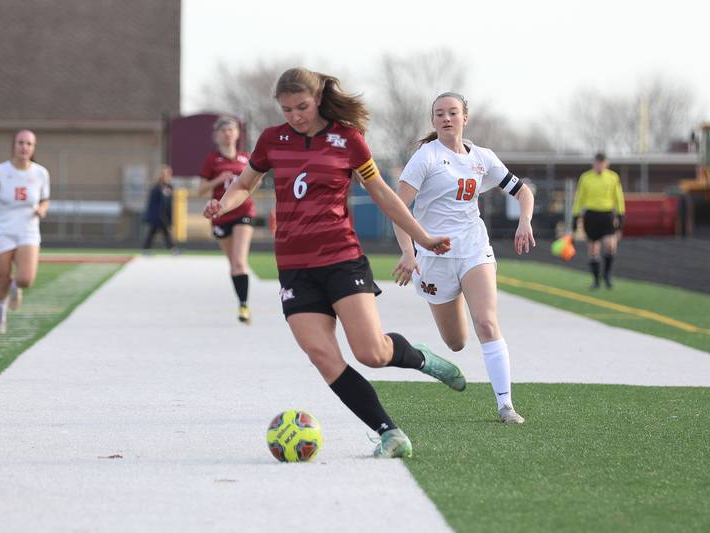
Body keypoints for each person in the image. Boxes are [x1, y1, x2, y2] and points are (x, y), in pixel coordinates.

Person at [203, 67, 465, 459]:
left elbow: (382, 194)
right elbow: (244, 185)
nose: (294, 115)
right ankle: (389, 432)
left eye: (302, 106)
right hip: (293, 267)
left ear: (318, 99)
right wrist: (223, 203)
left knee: (371, 353)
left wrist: (422, 237)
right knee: (323, 357)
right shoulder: (272, 140)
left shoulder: (348, 140)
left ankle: (420, 357)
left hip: (341, 259)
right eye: (286, 108)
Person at [391, 92, 535, 425]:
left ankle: (505, 405)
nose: (446, 118)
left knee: (486, 322)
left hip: (473, 248)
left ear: (464, 118)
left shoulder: (482, 157)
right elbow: (398, 210)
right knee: (456, 343)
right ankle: (428, 358)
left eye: (453, 112)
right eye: (439, 113)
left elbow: (522, 191)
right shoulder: (425, 158)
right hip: (433, 257)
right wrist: (408, 253)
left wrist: (524, 220)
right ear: (433, 121)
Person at [0, 129, 50, 334]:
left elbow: (45, 199)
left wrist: (42, 209)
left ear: (33, 148)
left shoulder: (40, 173)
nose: (24, 147)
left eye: (29, 144)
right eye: (21, 142)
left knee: (25, 279)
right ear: (13, 145)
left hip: (28, 230)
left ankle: (15, 288)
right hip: (2, 230)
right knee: (2, 278)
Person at [198, 117, 255, 324]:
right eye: (223, 130)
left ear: (238, 134)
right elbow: (201, 189)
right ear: (217, 135)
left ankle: (243, 305)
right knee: (233, 264)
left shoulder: (246, 158)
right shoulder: (212, 160)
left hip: (244, 212)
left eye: (231, 129)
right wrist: (218, 180)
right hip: (220, 217)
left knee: (240, 262)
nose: (227, 133)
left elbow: (252, 183)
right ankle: (241, 299)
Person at [571, 152, 625, 289]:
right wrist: (575, 216)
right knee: (593, 248)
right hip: (591, 215)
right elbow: (579, 198)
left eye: (602, 162)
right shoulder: (586, 178)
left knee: (610, 245)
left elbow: (618, 197)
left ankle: (606, 275)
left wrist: (620, 215)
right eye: (597, 162)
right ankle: (596, 280)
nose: (600, 165)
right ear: (593, 163)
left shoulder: (613, 177)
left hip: (607, 215)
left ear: (606, 163)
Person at [142, 165, 177, 254]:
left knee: (164, 232)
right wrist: (150, 215)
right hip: (156, 215)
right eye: (167, 174)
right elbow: (152, 203)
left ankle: (171, 249)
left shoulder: (169, 187)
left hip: (164, 214)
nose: (169, 176)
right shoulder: (156, 188)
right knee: (153, 232)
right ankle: (147, 249)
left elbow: (169, 202)